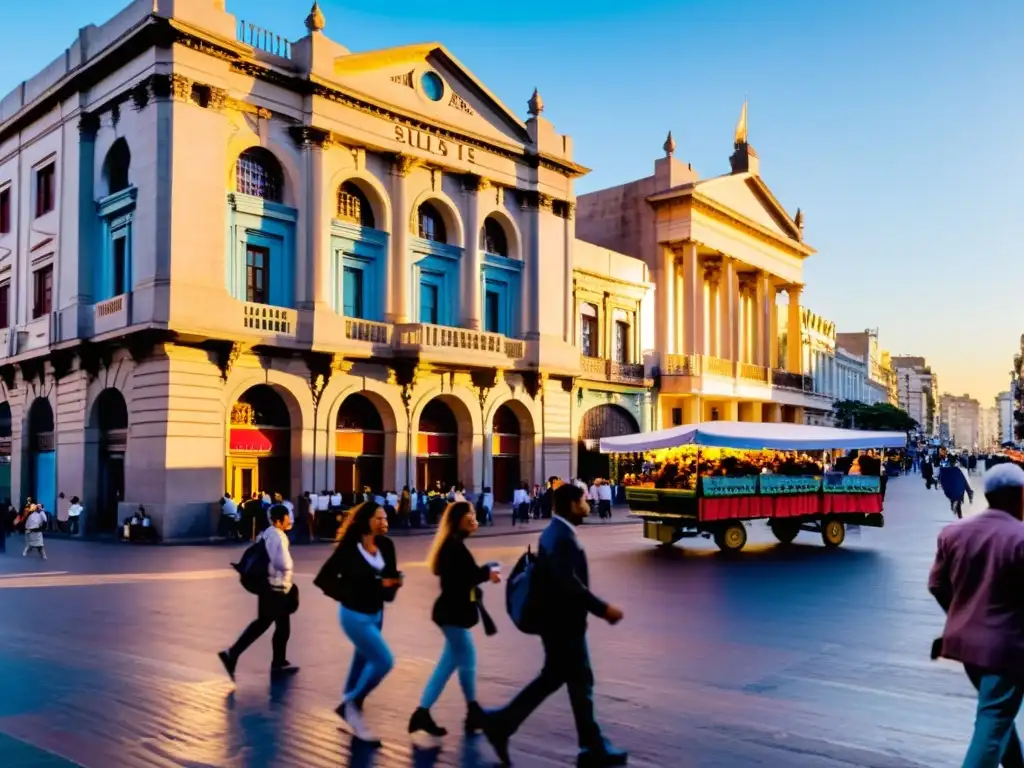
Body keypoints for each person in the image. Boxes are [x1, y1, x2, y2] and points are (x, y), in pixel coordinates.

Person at [484, 483, 627, 767]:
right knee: (574, 681)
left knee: (567, 680)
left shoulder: (554, 531)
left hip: (557, 622)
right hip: (563, 624)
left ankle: (589, 745)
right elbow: (567, 582)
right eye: (585, 500)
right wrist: (603, 609)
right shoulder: (563, 537)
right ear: (573, 504)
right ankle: (588, 746)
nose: (588, 505)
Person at [928, 462, 1024, 767]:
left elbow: (937, 585)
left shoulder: (953, 533)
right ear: (1020, 496)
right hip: (1007, 649)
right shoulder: (1020, 538)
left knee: (995, 713)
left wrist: (961, 614)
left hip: (965, 645)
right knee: (993, 718)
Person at [410, 501, 501, 738]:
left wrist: (481, 575)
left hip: (451, 613)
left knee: (447, 664)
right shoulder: (453, 547)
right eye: (468, 514)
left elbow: (462, 576)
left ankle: (423, 712)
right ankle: (472, 711)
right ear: (457, 519)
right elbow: (459, 579)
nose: (473, 517)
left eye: (473, 513)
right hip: (452, 614)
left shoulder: (454, 545)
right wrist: (484, 574)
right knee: (467, 658)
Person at [328, 501, 401, 744]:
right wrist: (353, 593)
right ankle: (352, 702)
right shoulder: (351, 548)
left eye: (385, 518)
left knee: (362, 657)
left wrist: (392, 584)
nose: (384, 522)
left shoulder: (387, 546)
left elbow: (388, 590)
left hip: (376, 613)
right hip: (354, 613)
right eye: (378, 518)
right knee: (384, 661)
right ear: (366, 521)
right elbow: (326, 579)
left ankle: (349, 702)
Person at [219, 504, 299, 681]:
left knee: (273, 624)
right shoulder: (279, 537)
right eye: (287, 517)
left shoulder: (267, 533)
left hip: (268, 586)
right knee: (269, 625)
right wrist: (287, 585)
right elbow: (281, 564)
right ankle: (234, 654)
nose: (290, 519)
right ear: (279, 520)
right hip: (275, 587)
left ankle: (276, 661)